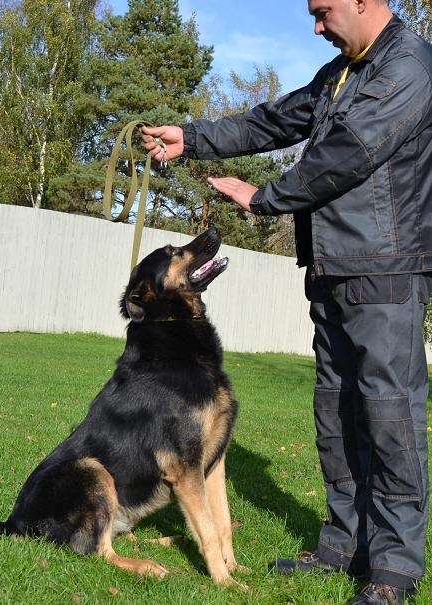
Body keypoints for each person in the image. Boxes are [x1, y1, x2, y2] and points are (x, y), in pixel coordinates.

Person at [142, 1, 432, 604]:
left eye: (324, 11)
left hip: (386, 269)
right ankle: (342, 547)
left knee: (390, 415)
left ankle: (394, 570)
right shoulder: (341, 74)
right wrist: (191, 139)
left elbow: (348, 152)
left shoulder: (409, 65)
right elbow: (272, 122)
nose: (317, 27)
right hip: (331, 268)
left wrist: (266, 197)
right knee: (337, 412)